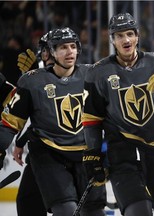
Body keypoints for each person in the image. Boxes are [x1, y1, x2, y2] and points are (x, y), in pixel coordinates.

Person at [82, 12, 154, 216]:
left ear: (137, 36)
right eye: (119, 35)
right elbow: (92, 119)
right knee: (139, 212)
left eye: (129, 34)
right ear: (112, 40)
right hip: (122, 152)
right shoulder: (98, 73)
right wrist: (92, 154)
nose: (125, 40)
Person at [0, 27, 106, 216]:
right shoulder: (32, 81)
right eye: (63, 47)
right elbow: (10, 124)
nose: (70, 51)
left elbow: (112, 115)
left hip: (86, 156)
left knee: (94, 212)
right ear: (51, 51)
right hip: (50, 156)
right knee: (64, 210)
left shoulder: (93, 75)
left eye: (73, 46)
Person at [13, 31, 54, 216]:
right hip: (42, 154)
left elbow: (52, 117)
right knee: (27, 201)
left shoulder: (78, 77)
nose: (50, 54)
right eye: (47, 50)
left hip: (68, 155)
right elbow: (41, 116)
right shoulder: (36, 77)